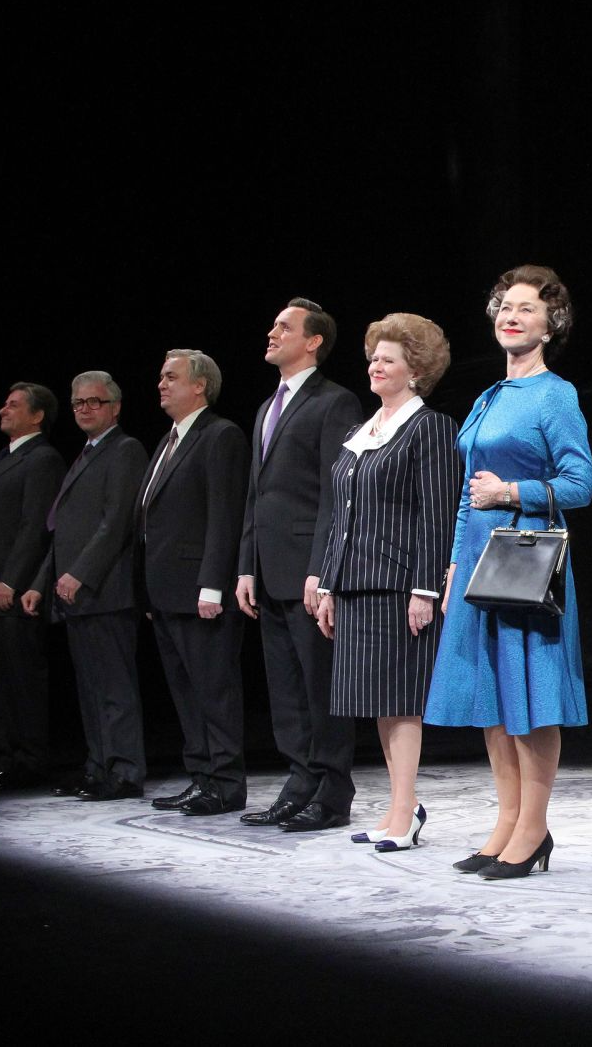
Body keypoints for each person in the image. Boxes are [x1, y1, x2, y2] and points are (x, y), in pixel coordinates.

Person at [424, 265, 592, 880]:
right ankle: (506, 820)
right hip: (476, 562)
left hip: (526, 562)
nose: (511, 316)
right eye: (503, 307)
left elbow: (581, 483)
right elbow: (470, 495)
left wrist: (513, 491)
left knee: (531, 698)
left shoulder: (556, 394)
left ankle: (534, 828)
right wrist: (450, 566)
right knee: (493, 699)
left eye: (526, 308)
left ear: (552, 325)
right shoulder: (487, 397)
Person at [314, 313, 461, 851]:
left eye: (388, 358)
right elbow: (339, 516)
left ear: (415, 370)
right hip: (354, 585)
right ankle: (401, 808)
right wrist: (328, 583)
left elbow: (437, 513)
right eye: (374, 356)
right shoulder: (361, 432)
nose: (375, 364)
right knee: (378, 701)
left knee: (401, 701)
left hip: (399, 587)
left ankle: (404, 813)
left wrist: (424, 588)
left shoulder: (429, 428)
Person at [236, 298, 363, 832]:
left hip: (309, 567)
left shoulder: (334, 402)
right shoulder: (267, 407)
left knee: (319, 685)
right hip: (268, 568)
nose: (272, 332)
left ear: (313, 341)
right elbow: (255, 494)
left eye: (283, 326)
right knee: (285, 687)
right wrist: (246, 566)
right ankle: (298, 782)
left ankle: (332, 792)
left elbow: (339, 493)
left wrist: (322, 569)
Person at [21, 371, 149, 801]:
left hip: (105, 590)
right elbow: (62, 529)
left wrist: (81, 572)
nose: (85, 409)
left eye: (94, 402)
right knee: (91, 688)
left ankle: (124, 771)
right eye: (78, 403)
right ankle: (99, 766)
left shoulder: (125, 449)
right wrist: (43, 581)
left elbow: (115, 523)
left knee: (113, 688)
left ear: (114, 407)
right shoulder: (86, 453)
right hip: (75, 593)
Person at [138, 349, 250, 816]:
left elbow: (224, 515)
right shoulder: (168, 441)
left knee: (213, 689)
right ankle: (201, 777)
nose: (161, 384)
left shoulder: (219, 435)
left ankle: (224, 782)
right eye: (161, 376)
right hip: (165, 590)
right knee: (186, 691)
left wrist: (212, 585)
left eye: (171, 377)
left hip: (199, 589)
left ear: (199, 385)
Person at [0, 382, 66, 789]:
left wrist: (12, 579)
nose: (3, 410)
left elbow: (35, 526)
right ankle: (4, 756)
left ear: (37, 416)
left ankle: (29, 760)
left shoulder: (42, 458)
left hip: (10, 592)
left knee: (20, 682)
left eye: (13, 405)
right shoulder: (5, 457)